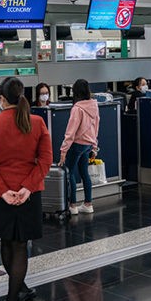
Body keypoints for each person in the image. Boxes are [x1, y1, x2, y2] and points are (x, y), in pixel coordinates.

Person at [0, 77, 53, 301]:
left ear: (1, 99)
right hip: (28, 195)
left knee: (7, 243)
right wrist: (28, 188)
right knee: (20, 245)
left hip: (2, 195)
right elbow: (46, 160)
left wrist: (3, 190)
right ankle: (16, 294)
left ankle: (13, 296)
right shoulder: (37, 122)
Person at [59, 79, 100, 215]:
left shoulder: (77, 108)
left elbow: (70, 132)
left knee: (70, 172)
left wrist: (63, 150)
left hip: (77, 145)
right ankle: (88, 204)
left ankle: (73, 205)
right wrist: (94, 145)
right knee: (84, 173)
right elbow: (96, 127)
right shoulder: (94, 105)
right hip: (88, 145)